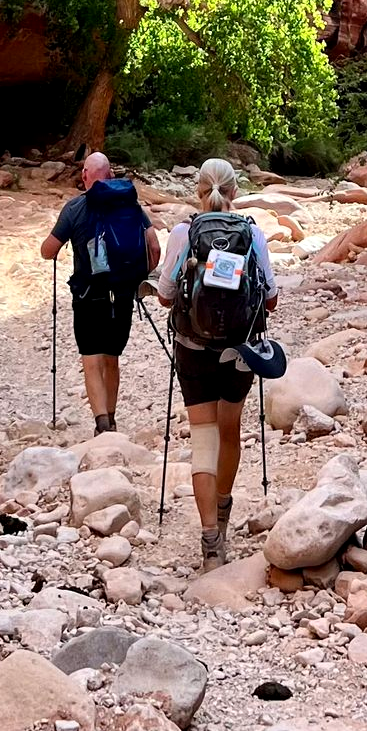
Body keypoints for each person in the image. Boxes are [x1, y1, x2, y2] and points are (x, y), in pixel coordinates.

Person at [156, 157, 279, 567]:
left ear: (197, 189)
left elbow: (166, 294)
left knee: (203, 438)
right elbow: (271, 298)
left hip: (193, 349)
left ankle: (210, 539)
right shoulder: (252, 233)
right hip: (240, 351)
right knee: (230, 431)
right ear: (234, 191)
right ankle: (223, 509)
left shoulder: (183, 232)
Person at [40, 153, 160, 435]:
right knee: (111, 357)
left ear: (85, 176)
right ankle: (113, 416)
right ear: (110, 174)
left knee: (91, 358)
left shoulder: (75, 208)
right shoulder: (130, 205)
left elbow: (48, 251)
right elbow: (153, 246)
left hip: (88, 295)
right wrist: (140, 277)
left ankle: (101, 423)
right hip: (122, 293)